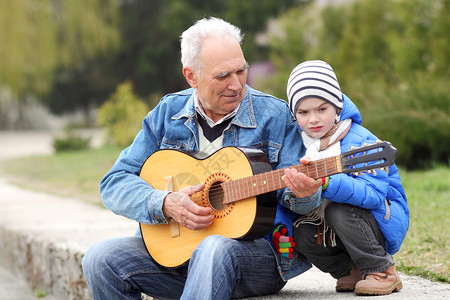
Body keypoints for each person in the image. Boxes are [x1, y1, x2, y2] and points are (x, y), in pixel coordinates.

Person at [81, 17, 323, 300]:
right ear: (191, 76)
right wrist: (165, 202)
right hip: (176, 257)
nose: (236, 85)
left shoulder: (275, 115)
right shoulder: (166, 113)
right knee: (99, 259)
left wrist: (305, 192)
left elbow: (296, 198)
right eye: (223, 76)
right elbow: (113, 183)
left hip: (256, 256)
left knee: (213, 248)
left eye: (241, 71)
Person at [280, 60, 409, 296]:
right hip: (336, 227)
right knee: (301, 233)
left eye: (322, 109)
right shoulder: (298, 145)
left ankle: (382, 270)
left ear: (337, 107)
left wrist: (327, 182)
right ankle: (351, 270)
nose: (313, 120)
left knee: (339, 211)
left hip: (380, 220)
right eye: (303, 112)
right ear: (294, 113)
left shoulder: (362, 141)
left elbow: (374, 196)